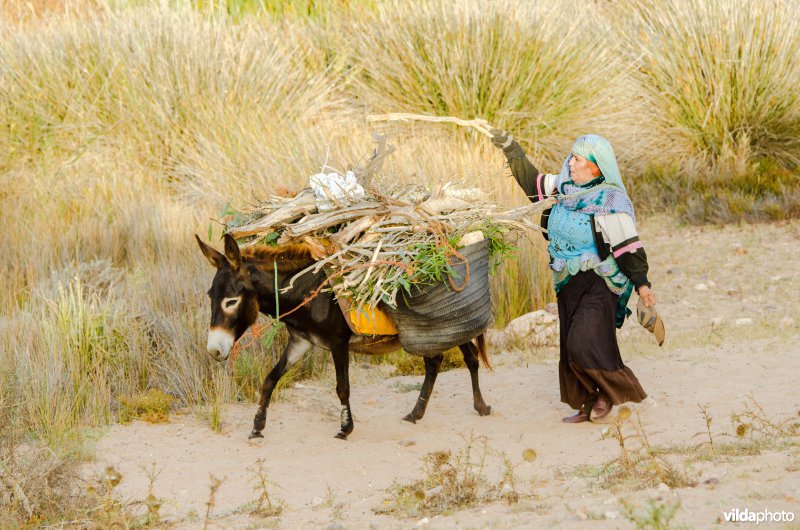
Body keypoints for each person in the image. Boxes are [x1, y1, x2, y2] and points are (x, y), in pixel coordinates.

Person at [491, 130, 658, 423]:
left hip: (600, 281)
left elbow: (629, 249)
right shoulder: (564, 188)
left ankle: (612, 393)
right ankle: (588, 401)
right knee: (571, 344)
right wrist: (510, 149)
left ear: (595, 166)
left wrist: (642, 285)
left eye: (577, 160)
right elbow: (532, 182)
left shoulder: (610, 200)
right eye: (572, 158)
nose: (570, 163)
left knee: (583, 341)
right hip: (566, 280)